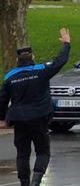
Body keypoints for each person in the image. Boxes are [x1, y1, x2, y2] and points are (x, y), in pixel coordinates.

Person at [0, 28, 71, 186]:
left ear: (17, 60)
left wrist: (3, 119)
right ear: (32, 57)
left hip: (19, 119)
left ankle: (24, 183)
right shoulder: (41, 70)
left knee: (22, 153)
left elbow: (2, 99)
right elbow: (60, 61)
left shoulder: (10, 76)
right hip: (40, 117)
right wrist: (66, 44)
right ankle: (35, 182)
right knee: (43, 151)